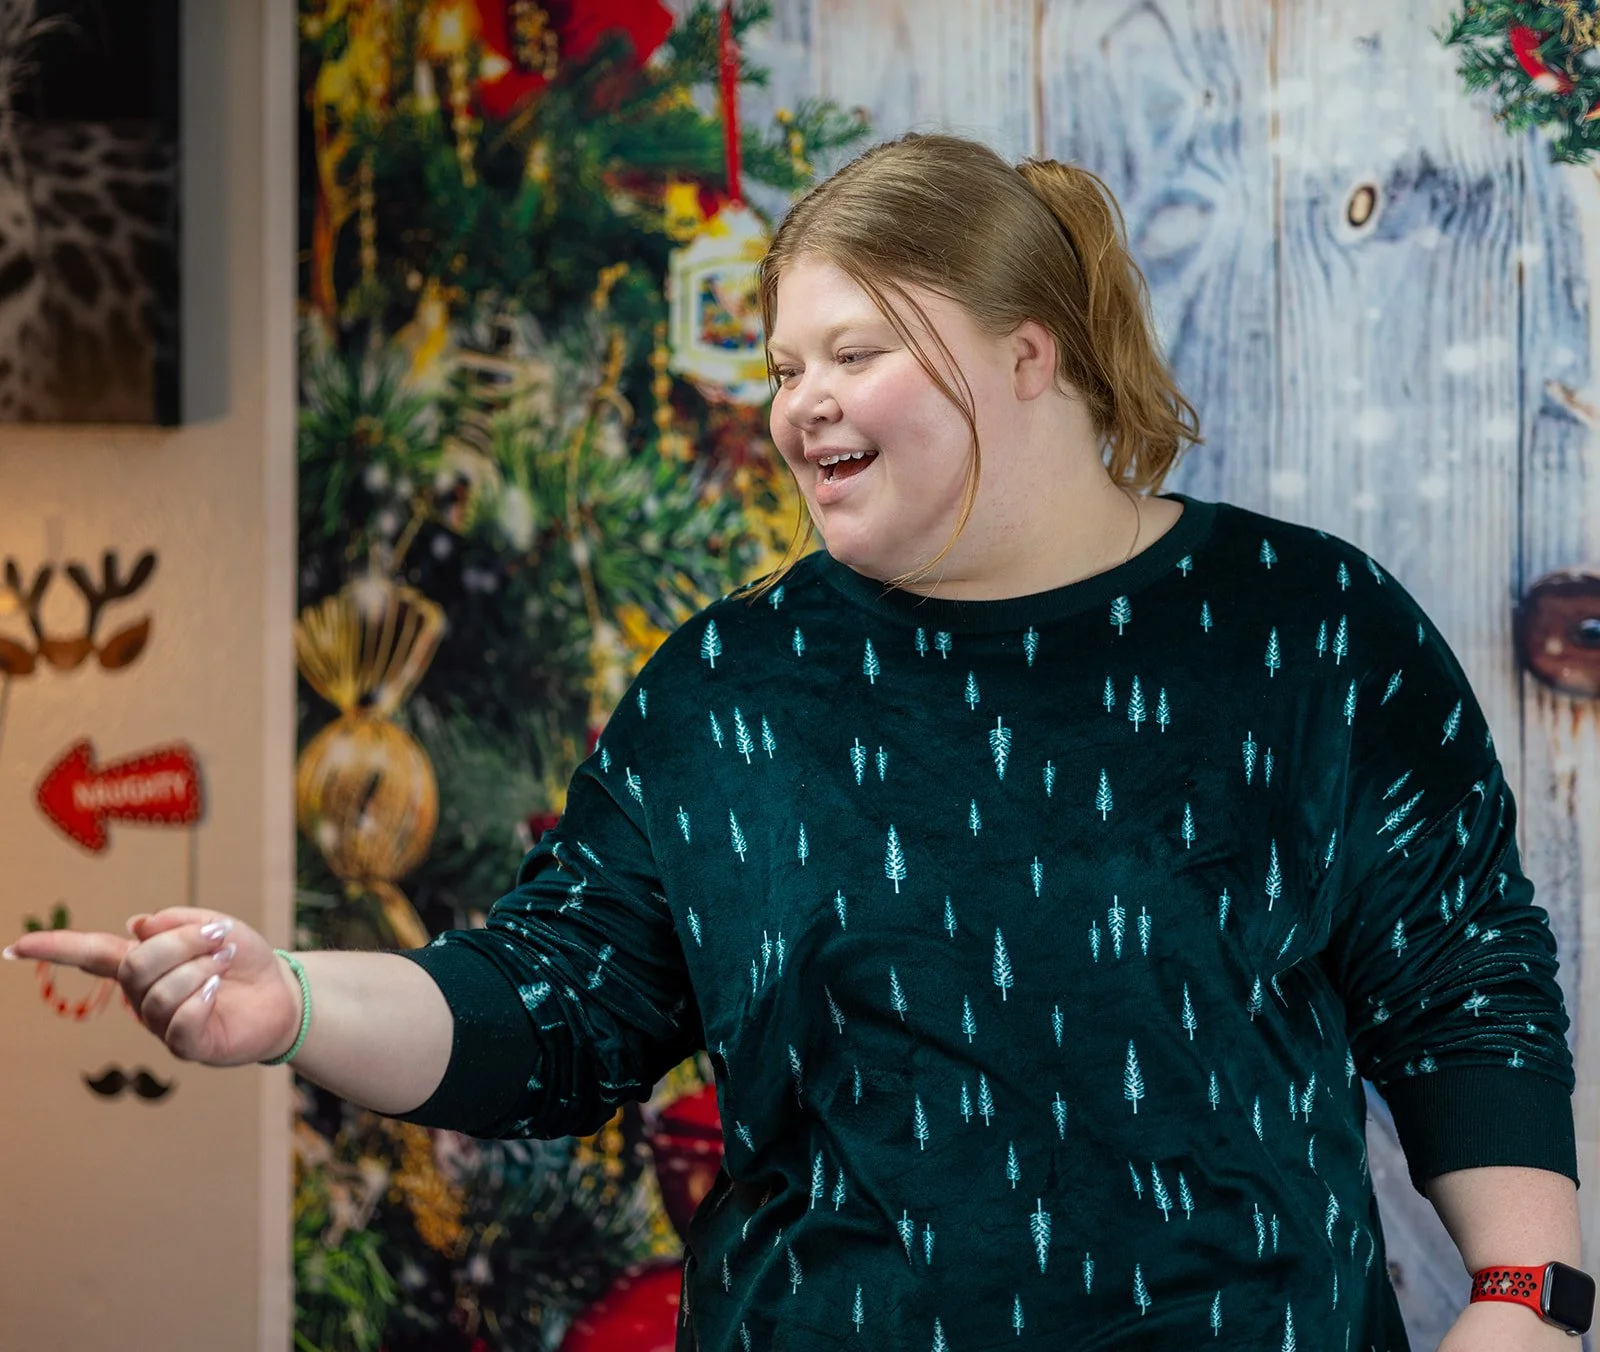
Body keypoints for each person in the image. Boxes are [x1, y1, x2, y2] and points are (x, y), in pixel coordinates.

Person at [5, 132, 1585, 1350]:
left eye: (854, 354)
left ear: (1029, 352)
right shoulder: (732, 688)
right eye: (779, 366)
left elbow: (1463, 985)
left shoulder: (1302, 622)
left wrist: (1532, 1294)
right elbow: (552, 1008)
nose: (799, 405)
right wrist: (285, 1003)